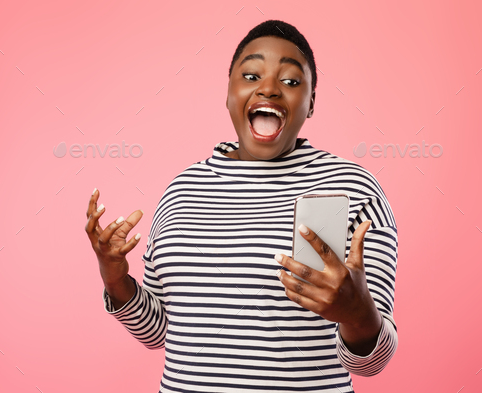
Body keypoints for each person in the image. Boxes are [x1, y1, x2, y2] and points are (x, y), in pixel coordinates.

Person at [85, 20, 398, 392]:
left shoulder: (353, 189)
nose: (268, 88)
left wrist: (358, 313)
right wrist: (116, 279)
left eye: (291, 81)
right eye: (250, 76)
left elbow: (372, 363)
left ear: (311, 102)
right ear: (229, 92)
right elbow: (160, 332)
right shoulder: (182, 190)